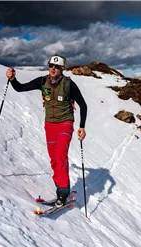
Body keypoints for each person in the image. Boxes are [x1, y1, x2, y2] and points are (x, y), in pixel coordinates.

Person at [6, 55, 87, 207]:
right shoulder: (42, 81)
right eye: (51, 65)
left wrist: (82, 126)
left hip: (65, 123)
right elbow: (20, 88)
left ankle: (62, 194)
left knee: (60, 154)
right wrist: (12, 79)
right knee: (54, 160)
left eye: (56, 66)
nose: (53, 68)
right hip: (50, 125)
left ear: (62, 69)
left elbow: (83, 105)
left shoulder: (69, 84)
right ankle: (61, 189)